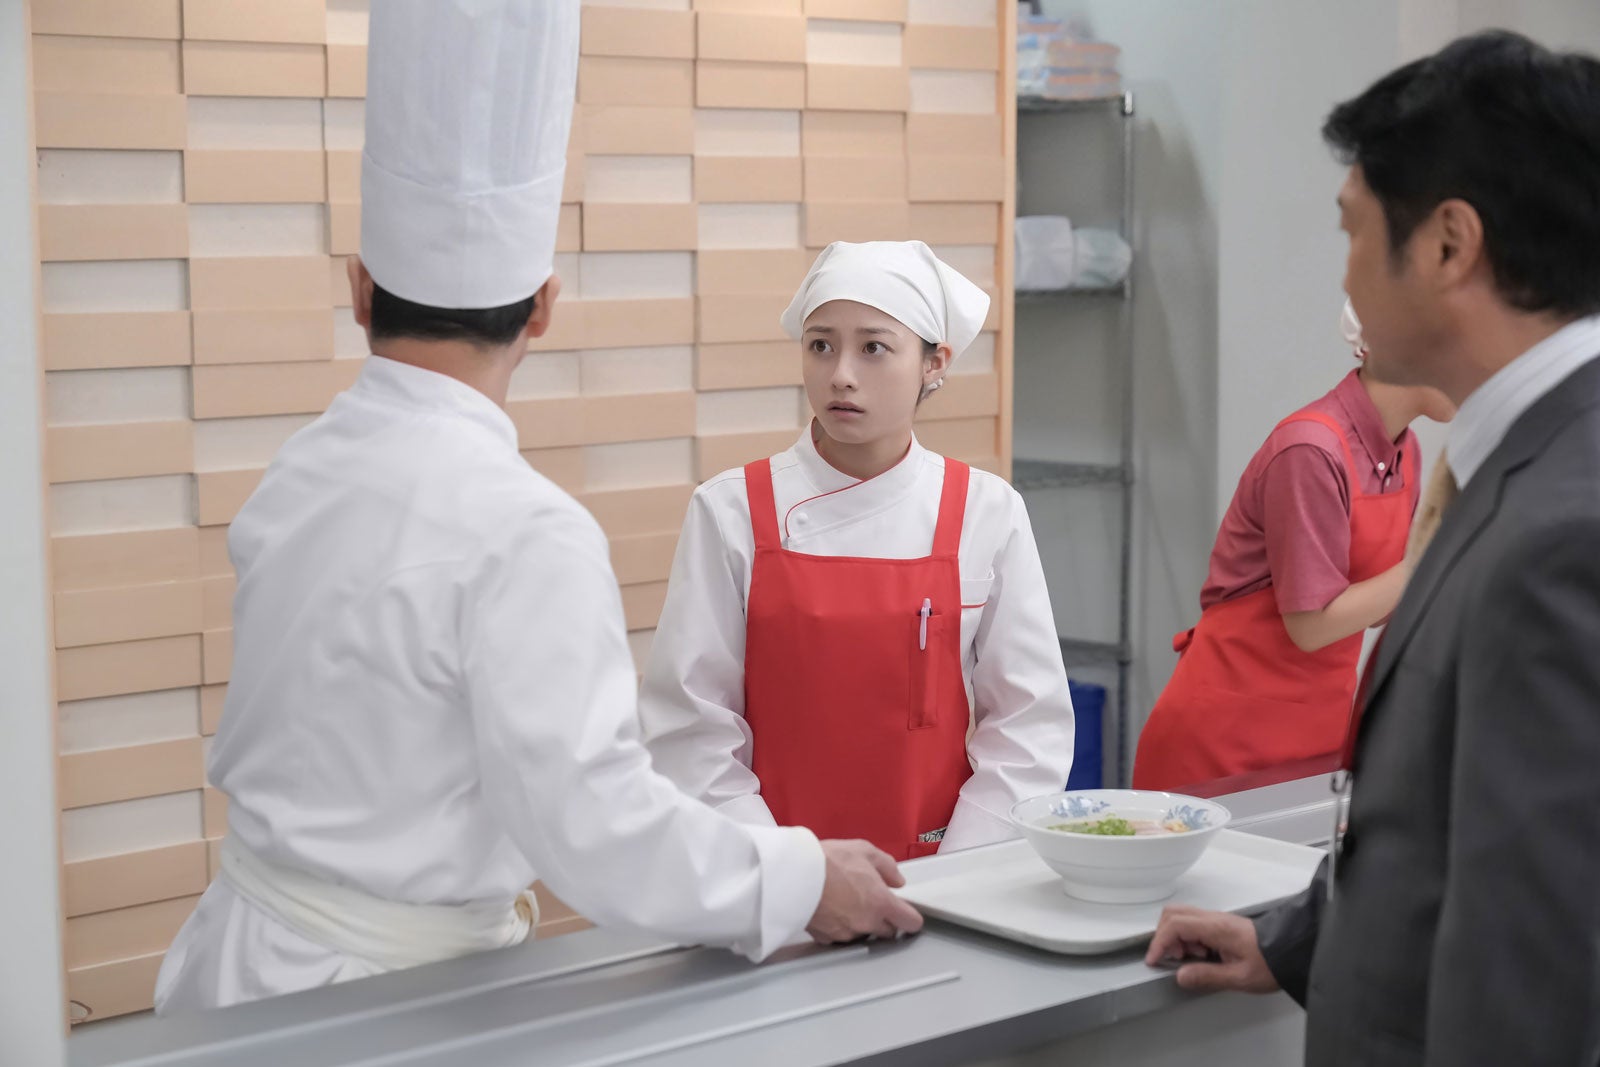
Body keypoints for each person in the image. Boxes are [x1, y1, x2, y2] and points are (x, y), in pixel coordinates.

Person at [154, 0, 918, 1014]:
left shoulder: (298, 469)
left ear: (359, 288)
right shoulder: (526, 529)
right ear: (545, 306)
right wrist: (801, 878)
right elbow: (594, 826)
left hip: (234, 966)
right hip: (370, 1001)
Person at [1145, 31, 1600, 1065]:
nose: (1345, 271)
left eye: (1353, 230)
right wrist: (1296, 939)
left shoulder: (1564, 527)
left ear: (1448, 245)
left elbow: (1541, 949)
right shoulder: (1511, 461)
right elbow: (1445, 823)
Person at [637, 241, 1075, 862]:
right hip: (770, 877)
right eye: (821, 345)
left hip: (943, 873)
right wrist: (792, 875)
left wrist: (957, 874)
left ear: (934, 363)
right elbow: (691, 728)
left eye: (873, 348)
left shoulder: (986, 510)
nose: (841, 374)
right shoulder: (730, 509)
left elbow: (1029, 727)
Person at [1132, 301, 1453, 791]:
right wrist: (1431, 554)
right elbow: (1311, 626)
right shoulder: (1311, 450)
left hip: (1317, 733)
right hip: (1225, 738)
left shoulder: (1404, 451)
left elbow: (1378, 608)